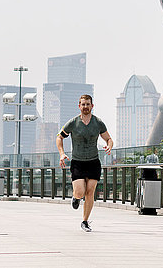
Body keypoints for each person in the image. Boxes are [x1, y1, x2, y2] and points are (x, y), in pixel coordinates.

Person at [56, 94, 114, 232]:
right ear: (79, 106)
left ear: (92, 106)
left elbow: (108, 138)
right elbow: (59, 137)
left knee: (90, 192)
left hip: (93, 162)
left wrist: (109, 146)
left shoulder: (98, 123)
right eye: (83, 104)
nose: (86, 107)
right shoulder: (73, 123)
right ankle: (76, 198)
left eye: (88, 104)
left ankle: (85, 221)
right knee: (80, 191)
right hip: (78, 162)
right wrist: (62, 154)